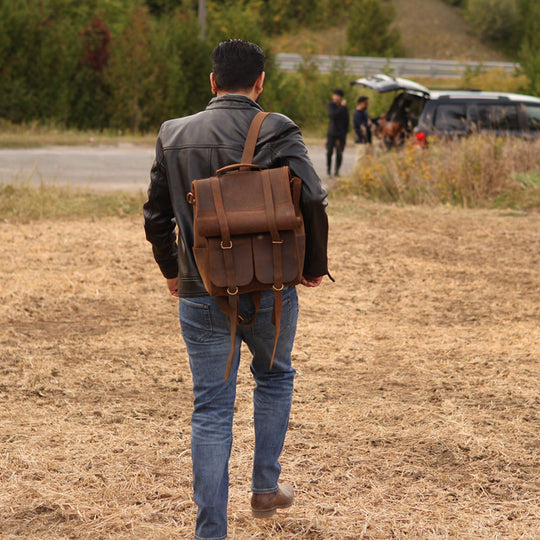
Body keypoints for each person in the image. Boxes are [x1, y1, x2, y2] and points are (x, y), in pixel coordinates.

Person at [143, 39, 330, 540]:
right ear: (260, 82)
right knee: (274, 376)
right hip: (269, 288)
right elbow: (313, 195)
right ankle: (265, 486)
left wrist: (170, 270)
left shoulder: (173, 133)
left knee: (210, 409)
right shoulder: (277, 127)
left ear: (212, 82)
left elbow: (156, 214)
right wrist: (313, 265)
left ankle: (211, 533)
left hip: (200, 289)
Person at [326, 88, 349, 177]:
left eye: (337, 96)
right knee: (329, 152)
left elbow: (347, 120)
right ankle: (328, 171)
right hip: (332, 132)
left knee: (339, 152)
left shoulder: (345, 108)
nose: (335, 97)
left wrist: (346, 132)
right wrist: (342, 107)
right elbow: (332, 115)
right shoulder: (330, 105)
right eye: (334, 95)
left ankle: (336, 171)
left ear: (340, 97)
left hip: (341, 133)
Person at [353, 95, 372, 168]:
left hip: (367, 141)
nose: (367, 105)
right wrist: (365, 139)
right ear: (361, 103)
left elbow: (369, 122)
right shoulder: (357, 114)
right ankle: (355, 176)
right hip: (361, 140)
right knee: (360, 160)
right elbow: (362, 127)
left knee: (368, 160)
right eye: (366, 103)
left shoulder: (364, 112)